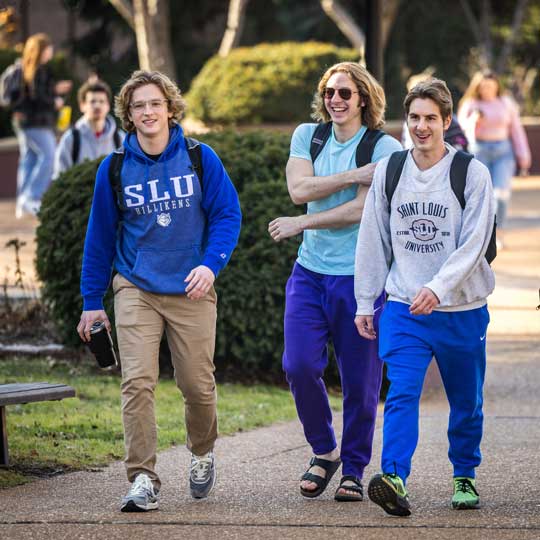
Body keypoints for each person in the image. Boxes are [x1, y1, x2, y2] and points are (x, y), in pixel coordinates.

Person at [77, 70, 241, 512]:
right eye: (138, 106)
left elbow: (227, 216)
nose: (147, 112)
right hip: (136, 286)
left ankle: (202, 451)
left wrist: (211, 265)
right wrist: (93, 303)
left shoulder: (200, 157)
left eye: (154, 104)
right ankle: (143, 478)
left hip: (192, 287)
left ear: (170, 107)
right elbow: (99, 239)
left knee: (197, 386)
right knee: (137, 382)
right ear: (128, 116)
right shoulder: (114, 169)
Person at [354, 78, 495, 516]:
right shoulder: (392, 171)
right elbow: (373, 238)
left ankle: (464, 474)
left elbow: (474, 243)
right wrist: (365, 299)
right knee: (401, 392)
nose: (420, 126)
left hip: (461, 309)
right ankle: (394, 476)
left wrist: (438, 288)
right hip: (404, 306)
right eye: (414, 117)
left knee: (466, 401)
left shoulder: (471, 172)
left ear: (447, 121)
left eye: (430, 118)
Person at [268, 62, 402, 502]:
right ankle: (324, 451)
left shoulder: (383, 147)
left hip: (361, 279)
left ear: (363, 97)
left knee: (361, 381)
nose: (335, 100)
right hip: (309, 273)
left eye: (345, 93)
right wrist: (349, 176)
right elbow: (298, 191)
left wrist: (302, 225)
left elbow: (360, 210)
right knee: (299, 365)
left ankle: (355, 467)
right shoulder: (309, 135)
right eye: (329, 92)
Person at [458, 71, 531, 248]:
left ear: (497, 86)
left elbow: (516, 130)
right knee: (483, 195)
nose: (487, 89)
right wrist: (473, 121)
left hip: (503, 152)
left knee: (501, 194)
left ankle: (498, 233)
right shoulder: (470, 104)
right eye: (483, 86)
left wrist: (523, 155)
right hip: (479, 151)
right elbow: (461, 130)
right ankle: (481, 236)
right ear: (478, 87)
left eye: (491, 85)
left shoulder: (506, 103)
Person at [8, 33, 72, 217]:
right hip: (36, 123)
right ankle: (33, 197)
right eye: (48, 48)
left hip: (23, 122)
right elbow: (39, 98)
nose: (51, 51)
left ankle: (23, 202)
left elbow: (32, 95)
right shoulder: (38, 70)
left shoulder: (25, 69)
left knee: (29, 159)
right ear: (40, 50)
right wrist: (55, 101)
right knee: (49, 155)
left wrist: (54, 90)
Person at [53, 79, 124, 178]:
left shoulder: (120, 138)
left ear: (108, 106)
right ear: (82, 106)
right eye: (92, 101)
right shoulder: (71, 139)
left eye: (102, 101)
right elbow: (60, 177)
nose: (97, 105)